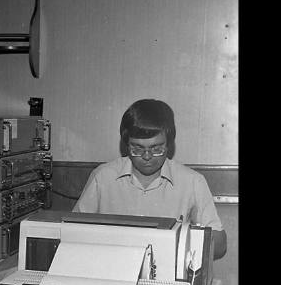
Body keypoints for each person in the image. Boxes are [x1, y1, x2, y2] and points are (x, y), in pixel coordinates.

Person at [73, 99, 227, 260]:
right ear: (126, 144)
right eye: (137, 148)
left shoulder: (193, 182)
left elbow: (220, 246)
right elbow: (72, 233)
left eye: (157, 148)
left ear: (169, 144)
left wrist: (180, 244)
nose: (147, 156)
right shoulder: (103, 177)